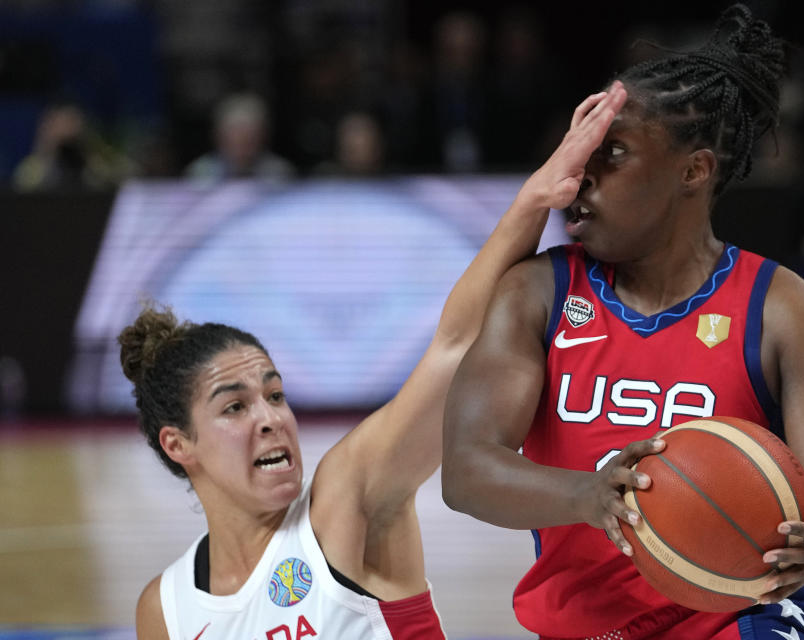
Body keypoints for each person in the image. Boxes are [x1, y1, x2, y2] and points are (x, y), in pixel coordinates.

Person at [123, 78, 627, 638]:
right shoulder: (164, 610)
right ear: (178, 444)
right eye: (235, 407)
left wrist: (533, 200)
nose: (271, 418)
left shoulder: (345, 498)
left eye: (274, 394)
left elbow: (456, 346)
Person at [442, 5, 804, 639]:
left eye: (611, 153)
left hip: (744, 620)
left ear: (694, 171)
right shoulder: (538, 290)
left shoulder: (788, 311)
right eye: (581, 150)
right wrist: (589, 496)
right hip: (585, 625)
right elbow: (465, 470)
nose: (580, 173)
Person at [184, 92, 296, 183]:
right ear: (219, 136)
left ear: (263, 136)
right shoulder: (200, 173)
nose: (243, 141)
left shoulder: (280, 172)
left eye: (250, 136)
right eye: (236, 133)